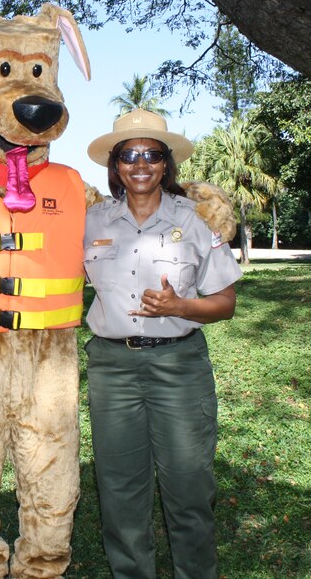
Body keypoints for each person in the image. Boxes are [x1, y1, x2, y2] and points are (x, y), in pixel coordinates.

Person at [82, 109, 243, 579]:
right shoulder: (90, 221)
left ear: (166, 165)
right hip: (112, 368)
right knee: (120, 488)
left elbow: (226, 302)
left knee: (189, 486)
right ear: (115, 166)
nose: (140, 163)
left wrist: (180, 307)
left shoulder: (196, 220)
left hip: (180, 364)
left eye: (152, 154)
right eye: (128, 155)